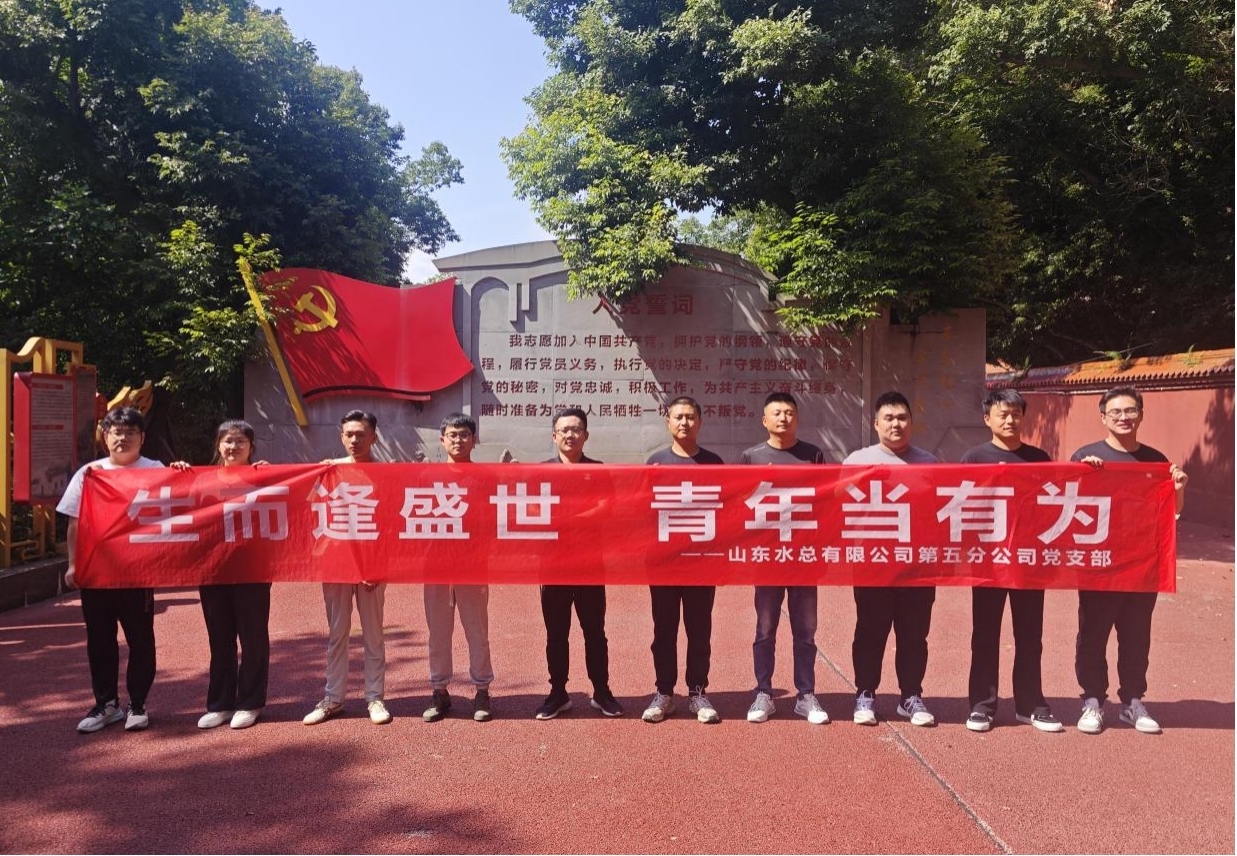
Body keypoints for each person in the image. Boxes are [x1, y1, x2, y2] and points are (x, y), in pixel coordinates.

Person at [1071, 386, 1188, 735]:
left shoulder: (1156, 460)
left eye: (1130, 411)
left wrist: (1178, 487)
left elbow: (1172, 512)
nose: (1124, 417)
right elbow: (1067, 503)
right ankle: (1093, 700)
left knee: (1137, 636)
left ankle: (1132, 702)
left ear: (1141, 414)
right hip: (1100, 565)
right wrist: (1082, 473)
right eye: (1116, 412)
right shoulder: (1086, 456)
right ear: (1103, 417)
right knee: (1093, 635)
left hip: (1142, 565)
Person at [959, 391, 1063, 733]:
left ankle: (1030, 704)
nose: (1010, 420)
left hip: (1028, 561)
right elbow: (960, 506)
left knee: (1030, 636)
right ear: (987, 419)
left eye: (1016, 414)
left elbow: (1053, 502)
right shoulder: (974, 458)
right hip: (988, 561)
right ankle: (982, 705)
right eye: (1003, 414)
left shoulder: (1038, 458)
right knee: (985, 635)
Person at [58, 406, 164, 733]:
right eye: (117, 432)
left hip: (137, 573)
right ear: (105, 437)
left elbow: (183, 504)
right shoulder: (89, 473)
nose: (122, 438)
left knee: (140, 639)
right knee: (100, 639)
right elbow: (75, 522)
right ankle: (106, 704)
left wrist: (183, 472)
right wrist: (73, 564)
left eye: (130, 432)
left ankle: (138, 703)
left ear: (142, 437)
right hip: (97, 573)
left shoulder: (156, 470)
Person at [842, 391, 938, 728]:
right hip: (873, 565)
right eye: (889, 418)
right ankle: (865, 693)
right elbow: (838, 506)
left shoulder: (930, 464)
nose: (896, 424)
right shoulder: (857, 461)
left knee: (914, 635)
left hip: (918, 566)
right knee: (870, 632)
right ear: (876, 423)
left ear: (911, 422)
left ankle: (911, 696)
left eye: (902, 418)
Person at [739, 392, 829, 725]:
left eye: (789, 412)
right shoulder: (751, 457)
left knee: (805, 630)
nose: (783, 418)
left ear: (797, 419)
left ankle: (806, 695)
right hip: (767, 559)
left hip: (803, 558)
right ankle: (763, 693)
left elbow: (825, 502)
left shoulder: (813, 454)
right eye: (776, 413)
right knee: (765, 629)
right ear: (765, 420)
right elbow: (740, 505)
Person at [303, 410, 392, 726]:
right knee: (337, 633)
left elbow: (390, 525)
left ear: (374, 437)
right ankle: (333, 698)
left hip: (371, 568)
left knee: (373, 635)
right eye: (349, 434)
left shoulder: (387, 475)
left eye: (361, 434)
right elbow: (309, 507)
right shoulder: (329, 471)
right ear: (341, 437)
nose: (355, 440)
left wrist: (378, 567)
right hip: (336, 565)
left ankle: (375, 698)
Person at [534, 407, 623, 719]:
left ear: (586, 435)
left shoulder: (597, 470)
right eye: (564, 430)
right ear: (554, 436)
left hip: (590, 564)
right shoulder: (542, 471)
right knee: (556, 633)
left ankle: (601, 691)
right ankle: (558, 693)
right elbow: (534, 511)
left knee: (594, 631)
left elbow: (607, 508)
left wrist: (568, 519)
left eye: (576, 429)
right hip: (552, 565)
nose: (570, 435)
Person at [641, 397, 723, 725]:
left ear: (700, 422)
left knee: (699, 629)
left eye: (690, 417)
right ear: (668, 422)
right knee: (664, 629)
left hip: (702, 562)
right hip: (663, 562)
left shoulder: (714, 463)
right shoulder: (656, 462)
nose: (684, 423)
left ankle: (697, 691)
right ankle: (664, 692)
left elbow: (726, 510)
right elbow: (643, 510)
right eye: (678, 417)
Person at [195, 421, 273, 731]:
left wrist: (271, 476)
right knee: (220, 639)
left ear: (251, 447)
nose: (234, 447)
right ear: (218, 445)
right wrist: (178, 473)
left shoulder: (263, 478)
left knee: (253, 638)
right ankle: (221, 704)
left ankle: (250, 702)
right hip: (213, 569)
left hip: (253, 569)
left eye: (241, 441)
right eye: (228, 441)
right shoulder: (201, 480)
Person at [421, 413, 496, 723]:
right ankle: (439, 691)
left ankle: (482, 691)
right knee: (438, 634)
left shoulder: (485, 478)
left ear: (474, 439)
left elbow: (495, 521)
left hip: (472, 568)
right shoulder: (427, 478)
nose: (458, 440)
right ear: (442, 440)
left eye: (464, 434)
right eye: (452, 435)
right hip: (435, 569)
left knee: (477, 632)